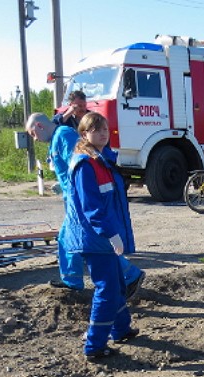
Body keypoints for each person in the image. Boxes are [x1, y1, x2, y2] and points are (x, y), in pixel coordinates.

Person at [25, 113, 144, 294]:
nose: (35, 139)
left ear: (39, 126)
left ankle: (127, 276)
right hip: (74, 196)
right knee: (73, 239)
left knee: (82, 240)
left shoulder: (63, 135)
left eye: (33, 134)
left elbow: (78, 162)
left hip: (79, 198)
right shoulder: (57, 138)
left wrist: (71, 188)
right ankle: (80, 280)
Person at [61, 112, 140, 360]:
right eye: (96, 130)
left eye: (105, 129)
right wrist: (110, 233)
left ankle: (121, 329)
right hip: (96, 239)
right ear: (84, 134)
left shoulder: (101, 159)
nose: (103, 134)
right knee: (107, 288)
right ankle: (94, 346)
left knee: (117, 282)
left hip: (103, 237)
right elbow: (91, 207)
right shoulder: (86, 164)